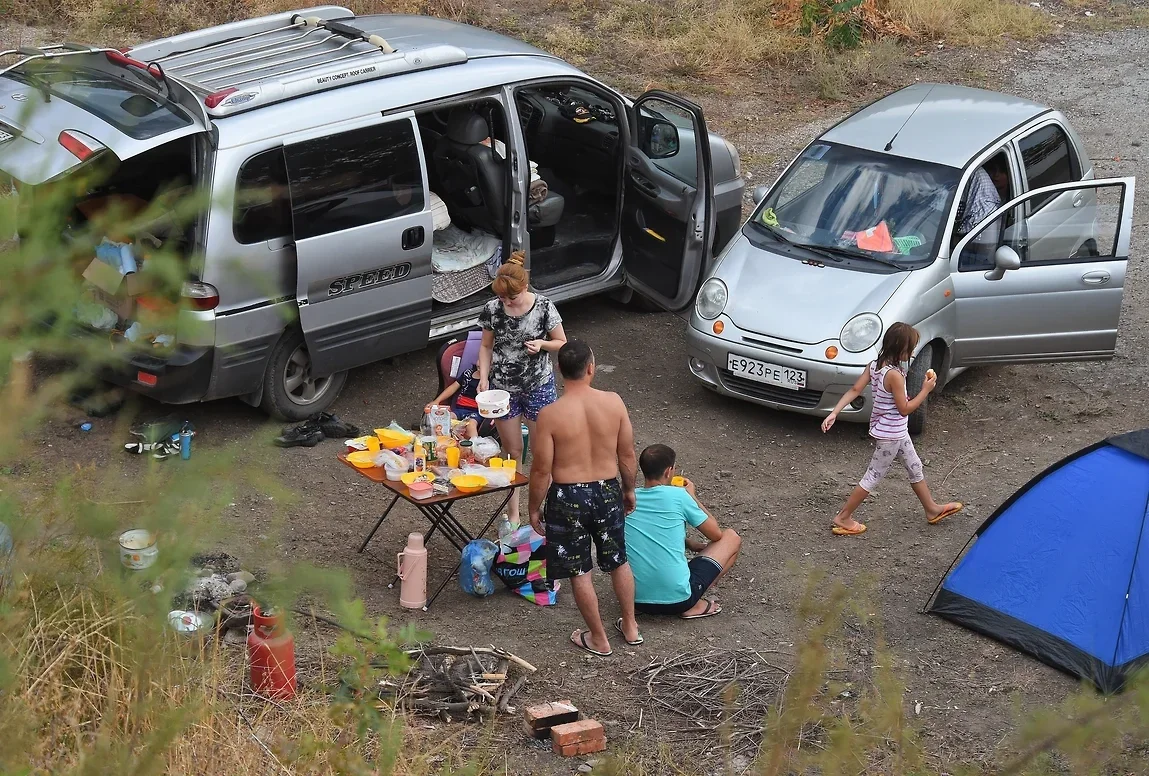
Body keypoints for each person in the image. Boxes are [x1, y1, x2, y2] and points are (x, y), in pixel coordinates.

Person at [528, 340, 639, 657]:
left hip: (567, 496)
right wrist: (628, 489)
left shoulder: (550, 415)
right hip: (606, 490)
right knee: (618, 561)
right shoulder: (614, 403)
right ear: (591, 367)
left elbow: (540, 470)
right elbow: (627, 454)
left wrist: (534, 509)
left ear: (560, 370)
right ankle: (630, 627)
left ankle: (599, 638)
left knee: (579, 570)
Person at [821, 323, 963, 536]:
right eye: (911, 348)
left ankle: (932, 509)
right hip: (891, 434)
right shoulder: (894, 375)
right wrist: (925, 391)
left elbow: (855, 389)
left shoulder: (874, 365)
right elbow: (905, 409)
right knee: (873, 476)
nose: (913, 352)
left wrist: (834, 412)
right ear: (900, 350)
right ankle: (843, 517)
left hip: (895, 430)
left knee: (914, 466)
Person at [477, 252, 568, 522]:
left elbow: (562, 343)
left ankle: (544, 511)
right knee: (512, 451)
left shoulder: (543, 307)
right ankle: (514, 513)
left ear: (525, 287)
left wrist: (542, 344)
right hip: (503, 389)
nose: (505, 302)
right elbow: (485, 345)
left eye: (510, 298)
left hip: (538, 384)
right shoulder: (492, 309)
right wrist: (484, 377)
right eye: (502, 297)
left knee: (543, 453)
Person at [625, 444, 741, 620]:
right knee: (731, 537)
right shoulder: (678, 496)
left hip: (634, 599)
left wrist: (688, 543)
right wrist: (692, 496)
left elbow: (650, 531)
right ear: (669, 471)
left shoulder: (628, 499)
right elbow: (716, 534)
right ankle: (692, 603)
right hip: (679, 601)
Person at [424, 359, 480, 440]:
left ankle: (474, 447)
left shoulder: (492, 380)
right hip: (459, 409)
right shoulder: (468, 373)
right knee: (445, 419)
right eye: (480, 360)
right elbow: (453, 387)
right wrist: (437, 401)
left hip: (476, 412)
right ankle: (439, 442)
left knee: (471, 425)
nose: (481, 364)